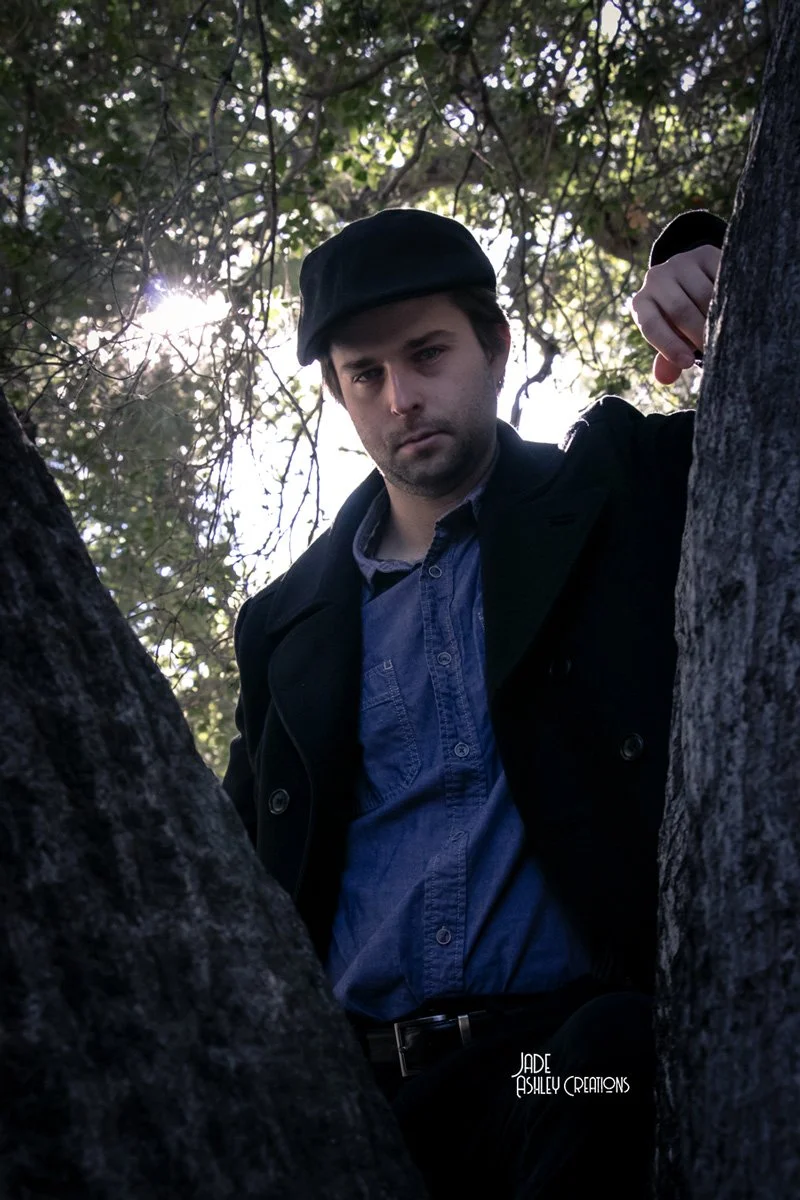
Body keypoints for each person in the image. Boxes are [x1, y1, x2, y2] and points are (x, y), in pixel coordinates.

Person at [222, 207, 726, 1198]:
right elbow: (240, 875)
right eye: (364, 374)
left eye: (426, 353)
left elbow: (766, 424)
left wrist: (709, 265)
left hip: (553, 1065)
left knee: (613, 1062)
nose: (400, 397)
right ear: (338, 393)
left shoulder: (614, 492)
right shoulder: (286, 625)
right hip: (352, 1094)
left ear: (494, 345)